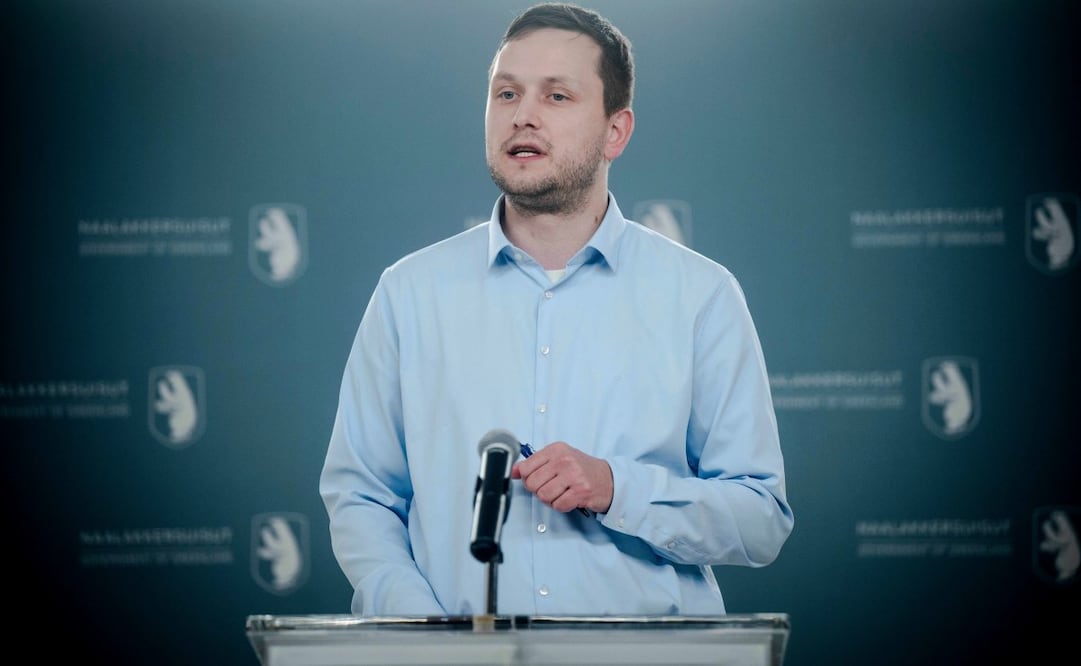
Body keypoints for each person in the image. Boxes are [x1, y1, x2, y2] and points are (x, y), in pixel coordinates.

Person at [320, 1, 793, 617]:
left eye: (557, 96)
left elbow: (760, 519)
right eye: (507, 93)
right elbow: (362, 497)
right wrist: (422, 629)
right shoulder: (409, 294)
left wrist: (617, 488)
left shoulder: (700, 296)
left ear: (615, 131)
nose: (523, 116)